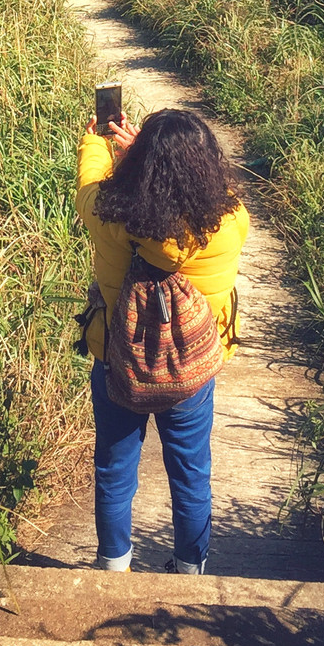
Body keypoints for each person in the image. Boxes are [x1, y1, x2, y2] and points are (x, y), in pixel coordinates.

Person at [76, 105, 250, 574]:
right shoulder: (230, 225)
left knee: (114, 471)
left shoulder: (110, 218)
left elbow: (89, 185)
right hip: (191, 374)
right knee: (192, 475)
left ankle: (114, 566)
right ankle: (190, 569)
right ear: (207, 166)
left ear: (141, 170)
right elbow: (222, 192)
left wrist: (103, 145)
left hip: (119, 362)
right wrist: (160, 159)